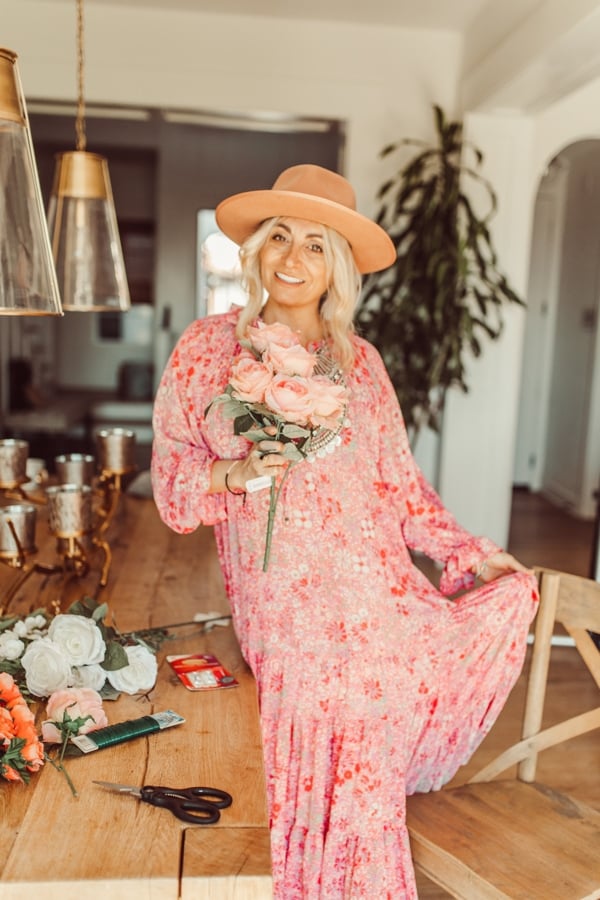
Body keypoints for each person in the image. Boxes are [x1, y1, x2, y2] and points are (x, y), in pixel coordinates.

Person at [151, 164, 538, 899]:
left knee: (371, 689)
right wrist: (238, 473)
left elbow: (401, 488)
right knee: (340, 692)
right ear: (257, 250)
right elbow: (172, 486)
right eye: (280, 239)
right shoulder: (205, 350)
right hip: (282, 601)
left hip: (374, 586)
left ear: (341, 268)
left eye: (317, 246)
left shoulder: (363, 363)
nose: (293, 260)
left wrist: (473, 555)